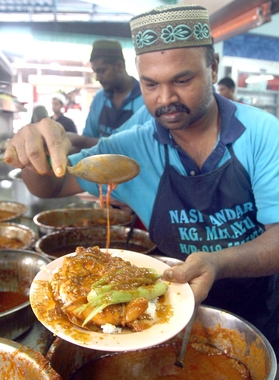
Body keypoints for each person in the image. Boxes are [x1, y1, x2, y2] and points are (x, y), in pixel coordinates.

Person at [4, 4, 279, 368]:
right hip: (153, 318)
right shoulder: (131, 147)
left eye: (182, 80)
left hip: (254, 314)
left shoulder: (262, 134)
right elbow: (50, 187)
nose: (165, 99)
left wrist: (218, 263)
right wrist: (35, 147)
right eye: (150, 84)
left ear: (212, 68)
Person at [67, 39, 145, 152]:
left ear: (119, 66)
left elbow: (138, 146)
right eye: (95, 72)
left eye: (102, 71)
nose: (97, 77)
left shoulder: (145, 100)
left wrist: (80, 140)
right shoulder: (100, 98)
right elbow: (87, 139)